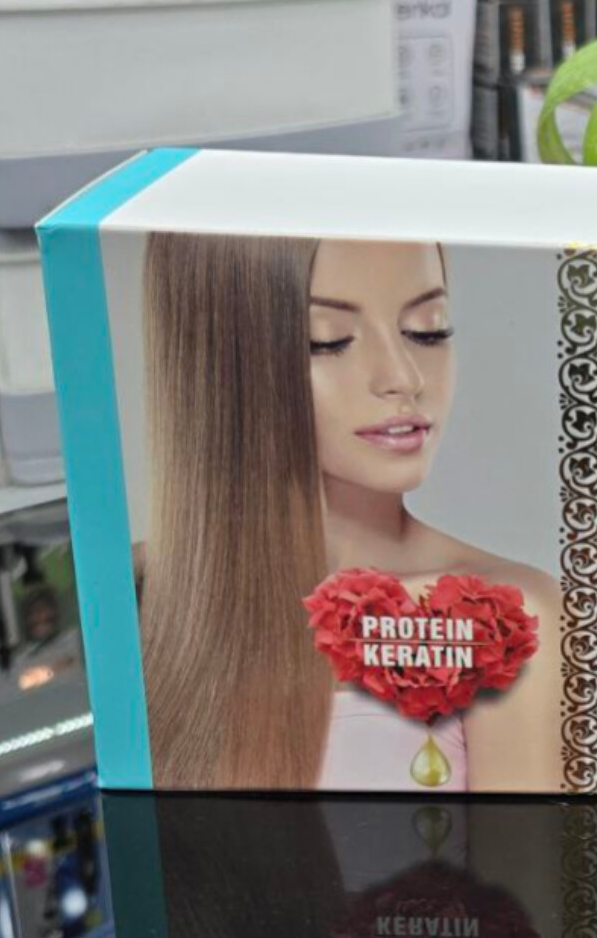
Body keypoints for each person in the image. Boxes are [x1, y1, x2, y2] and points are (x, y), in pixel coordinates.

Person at [137, 235, 562, 791]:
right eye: (328, 341)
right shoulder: (133, 597)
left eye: (428, 330)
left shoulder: (505, 618)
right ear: (218, 364)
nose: (403, 377)